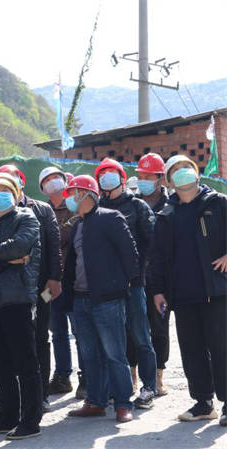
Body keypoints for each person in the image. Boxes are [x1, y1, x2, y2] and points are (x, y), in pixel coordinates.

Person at [148, 155, 227, 426]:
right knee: (192, 351)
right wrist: (157, 290)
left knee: (221, 347)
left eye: (186, 168)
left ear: (196, 173)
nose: (182, 172)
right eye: (176, 170)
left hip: (216, 290)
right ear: (169, 180)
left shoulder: (218, 202)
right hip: (182, 293)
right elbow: (157, 257)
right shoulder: (166, 214)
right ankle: (203, 403)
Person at [63, 175, 139, 423]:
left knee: (114, 353)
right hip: (81, 299)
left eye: (73, 192)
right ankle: (95, 401)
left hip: (108, 299)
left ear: (86, 193)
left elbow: (130, 254)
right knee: (89, 355)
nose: (69, 198)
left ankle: (123, 403)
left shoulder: (110, 218)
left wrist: (123, 285)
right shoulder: (77, 225)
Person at [0, 173, 43, 440]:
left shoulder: (27, 218)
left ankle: (31, 420)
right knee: (0, 364)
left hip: (17, 299)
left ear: (15, 194)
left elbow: (19, 247)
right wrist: (4, 259)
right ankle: (8, 415)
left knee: (26, 363)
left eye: (5, 190)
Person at [0, 164, 61, 412]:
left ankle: (40, 395)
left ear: (21, 182)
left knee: (40, 337)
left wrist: (54, 278)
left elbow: (54, 246)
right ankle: (12, 399)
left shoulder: (42, 209)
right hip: (8, 290)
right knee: (8, 342)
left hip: (40, 287)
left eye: (13, 178)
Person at [96, 157, 158, 408]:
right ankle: (118, 388)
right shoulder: (96, 207)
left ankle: (149, 387)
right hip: (106, 286)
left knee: (141, 336)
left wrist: (138, 271)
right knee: (113, 341)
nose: (107, 178)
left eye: (112, 173)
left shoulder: (138, 206)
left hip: (134, 284)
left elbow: (152, 242)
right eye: (103, 175)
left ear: (122, 179)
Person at [37, 166, 85, 399]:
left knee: (80, 330)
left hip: (74, 280)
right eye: (47, 179)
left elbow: (65, 235)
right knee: (56, 330)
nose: (53, 182)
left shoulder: (75, 206)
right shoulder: (41, 211)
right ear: (42, 187)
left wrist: (53, 235)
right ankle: (62, 376)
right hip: (50, 282)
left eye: (56, 177)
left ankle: (86, 376)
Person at [135, 153, 171, 396]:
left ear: (160, 178)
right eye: (141, 176)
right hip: (135, 276)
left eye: (148, 176)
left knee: (159, 327)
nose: (143, 180)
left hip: (162, 278)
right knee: (133, 328)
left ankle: (158, 376)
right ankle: (133, 375)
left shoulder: (171, 205)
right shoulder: (132, 203)